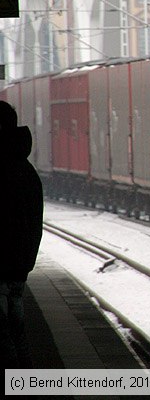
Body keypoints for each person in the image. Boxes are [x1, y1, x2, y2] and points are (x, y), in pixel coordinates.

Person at [0, 101, 44, 369]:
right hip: (18, 268)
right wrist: (26, 263)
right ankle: (25, 379)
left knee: (4, 332)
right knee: (16, 328)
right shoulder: (26, 171)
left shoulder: (4, 171)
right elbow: (34, 223)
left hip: (3, 267)